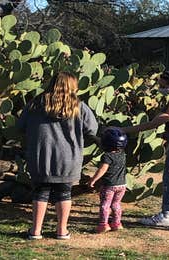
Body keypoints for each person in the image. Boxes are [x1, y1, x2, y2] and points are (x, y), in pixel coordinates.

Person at [18, 71, 98, 240]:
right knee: (64, 193)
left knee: (40, 192)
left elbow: (20, 126)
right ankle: (62, 230)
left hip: (41, 155)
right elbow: (92, 129)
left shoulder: (35, 104)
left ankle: (35, 231)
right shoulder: (79, 106)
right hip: (69, 158)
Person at [123, 70, 169, 226]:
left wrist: (125, 130)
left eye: (162, 85)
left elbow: (156, 122)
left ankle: (168, 213)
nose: (159, 87)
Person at [88, 127, 127, 233]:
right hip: (122, 185)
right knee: (116, 204)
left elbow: (102, 169)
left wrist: (93, 179)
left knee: (105, 205)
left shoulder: (107, 156)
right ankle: (117, 223)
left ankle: (103, 224)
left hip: (109, 186)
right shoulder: (123, 154)